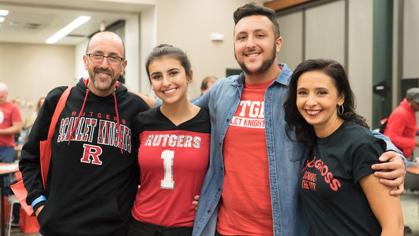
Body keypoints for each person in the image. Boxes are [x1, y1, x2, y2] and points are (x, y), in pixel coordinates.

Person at [192, 3, 406, 236]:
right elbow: (179, 114)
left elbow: (350, 128)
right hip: (224, 228)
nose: (250, 43)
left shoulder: (301, 89)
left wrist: (394, 154)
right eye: (242, 37)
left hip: (286, 229)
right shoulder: (221, 91)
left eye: (260, 35)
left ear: (278, 43)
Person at [19, 31, 149, 236]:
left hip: (114, 229)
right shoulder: (59, 100)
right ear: (85, 60)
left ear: (123, 66)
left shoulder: (138, 110)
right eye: (97, 55)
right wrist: (40, 205)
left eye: (113, 57)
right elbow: (29, 159)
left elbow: (156, 165)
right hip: (58, 227)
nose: (104, 64)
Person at [283, 59, 404, 235]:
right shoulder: (309, 140)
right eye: (302, 93)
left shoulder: (361, 145)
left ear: (340, 97)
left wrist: (397, 156)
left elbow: (394, 226)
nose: (310, 102)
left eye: (321, 93)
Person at [128, 44, 210, 236]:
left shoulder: (209, 122)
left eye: (173, 73)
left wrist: (212, 199)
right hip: (141, 226)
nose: (166, 82)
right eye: (157, 77)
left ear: (188, 75)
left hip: (190, 228)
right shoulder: (142, 122)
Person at [384, 87, 419, 159]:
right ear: (410, 101)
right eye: (418, 103)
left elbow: (408, 129)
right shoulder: (401, 113)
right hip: (397, 156)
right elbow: (392, 138)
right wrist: (414, 143)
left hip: (404, 154)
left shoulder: (410, 111)